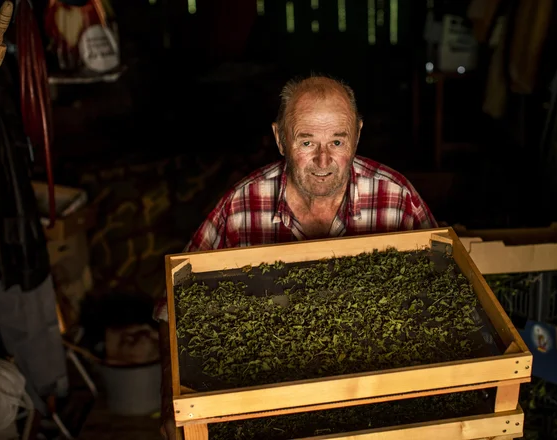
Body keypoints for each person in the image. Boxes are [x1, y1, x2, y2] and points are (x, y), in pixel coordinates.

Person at [156, 74, 438, 438]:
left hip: (373, 403)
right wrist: (170, 400)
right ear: (280, 139)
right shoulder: (241, 206)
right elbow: (171, 307)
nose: (324, 160)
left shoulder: (397, 199)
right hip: (267, 403)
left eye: (338, 141)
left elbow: (441, 291)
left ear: (358, 135)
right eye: (307, 142)